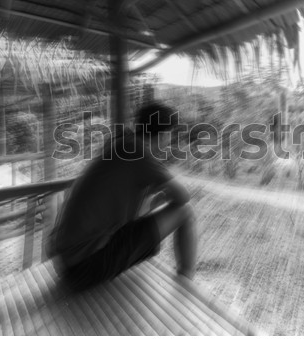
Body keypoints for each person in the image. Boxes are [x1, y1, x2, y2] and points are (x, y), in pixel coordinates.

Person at [48, 102, 197, 292]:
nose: (171, 139)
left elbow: (135, 217)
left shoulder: (122, 144)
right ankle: (187, 286)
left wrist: (158, 197)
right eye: (171, 134)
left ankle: (185, 279)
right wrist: (164, 192)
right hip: (85, 266)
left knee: (154, 214)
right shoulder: (138, 152)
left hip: (68, 263)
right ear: (164, 134)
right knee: (185, 212)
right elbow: (184, 197)